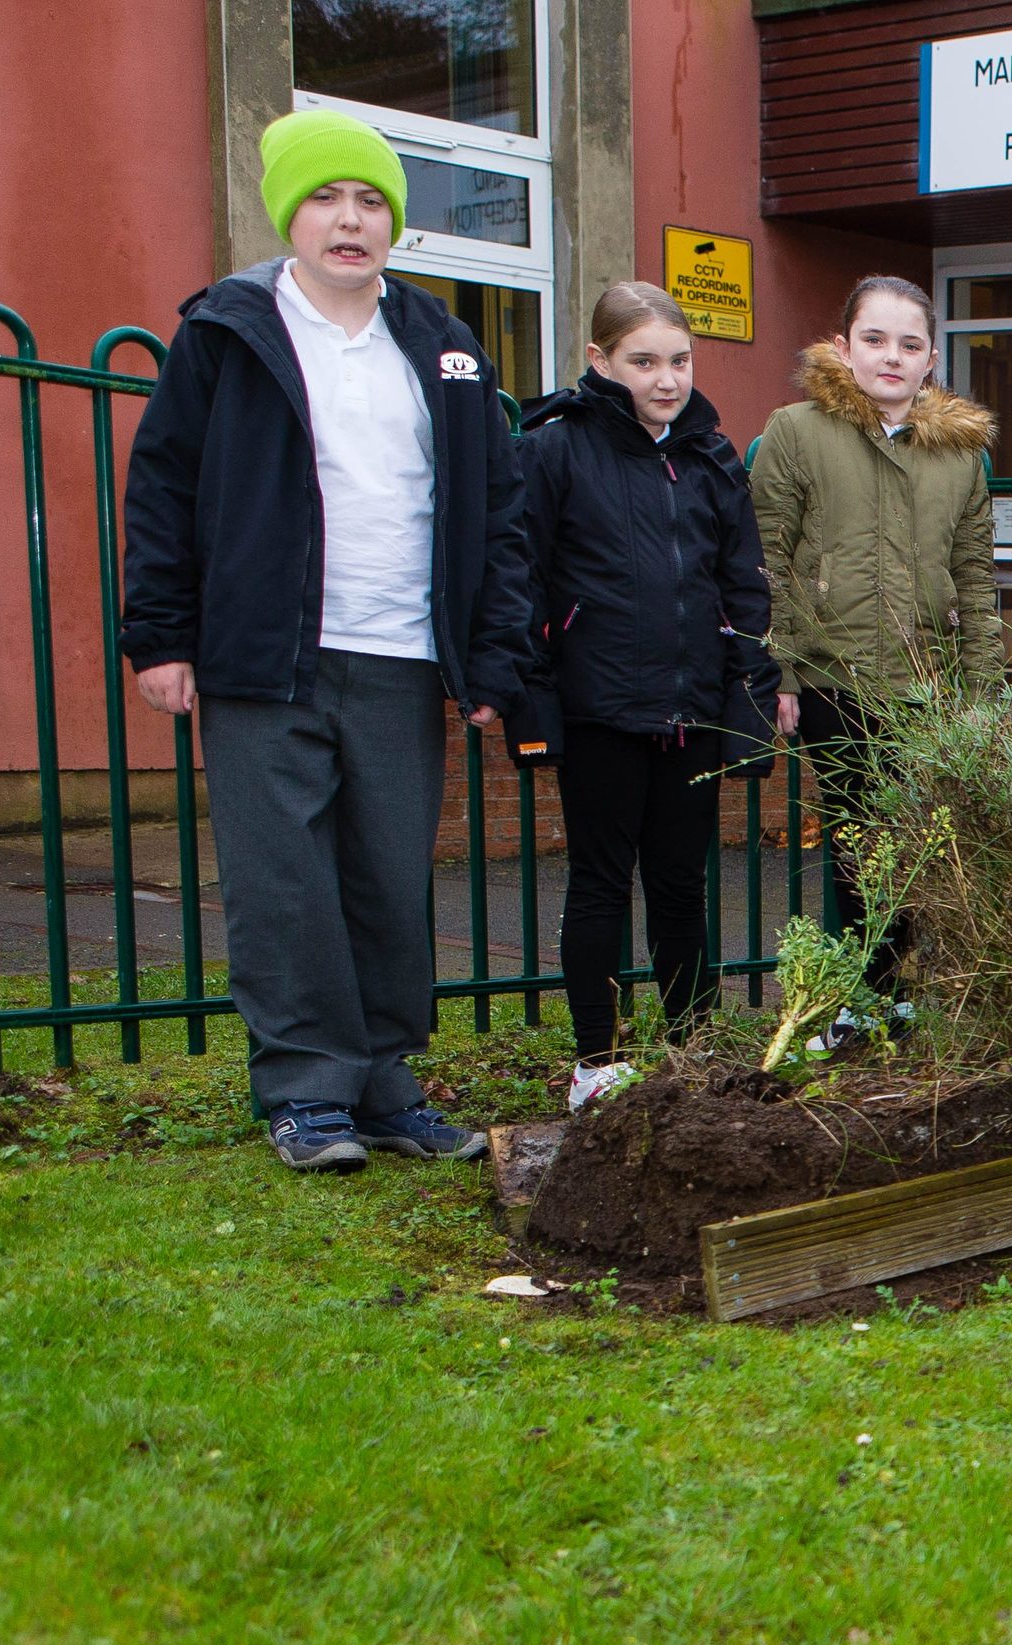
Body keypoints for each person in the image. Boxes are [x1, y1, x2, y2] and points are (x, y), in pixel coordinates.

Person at [119, 109, 527, 1172]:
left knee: (387, 877)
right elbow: (162, 489)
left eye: (372, 201)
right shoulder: (226, 331)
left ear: (393, 220)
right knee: (283, 880)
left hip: (399, 658)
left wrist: (488, 656)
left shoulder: (442, 343)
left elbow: (495, 507)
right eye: (326, 200)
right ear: (289, 215)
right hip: (264, 658)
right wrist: (161, 638)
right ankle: (307, 1094)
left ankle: (385, 1084)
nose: (351, 221)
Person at [513, 281, 787, 1111]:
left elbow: (742, 588)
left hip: (692, 711)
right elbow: (521, 582)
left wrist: (749, 696)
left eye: (679, 360)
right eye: (643, 362)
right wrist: (532, 700)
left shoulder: (710, 457)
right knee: (600, 884)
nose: (666, 379)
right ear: (599, 360)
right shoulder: (554, 450)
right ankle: (595, 1062)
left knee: (681, 886)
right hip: (600, 708)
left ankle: (690, 1048)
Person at [749, 276, 1001, 1015]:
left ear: (930, 360)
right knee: (862, 843)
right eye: (875, 339)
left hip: (927, 685)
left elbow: (976, 578)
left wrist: (982, 694)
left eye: (910, 344)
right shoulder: (797, 431)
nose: (892, 357)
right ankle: (871, 998)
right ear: (844, 346)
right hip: (838, 676)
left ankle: (908, 997)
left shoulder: (958, 456)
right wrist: (784, 670)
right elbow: (770, 558)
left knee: (926, 842)